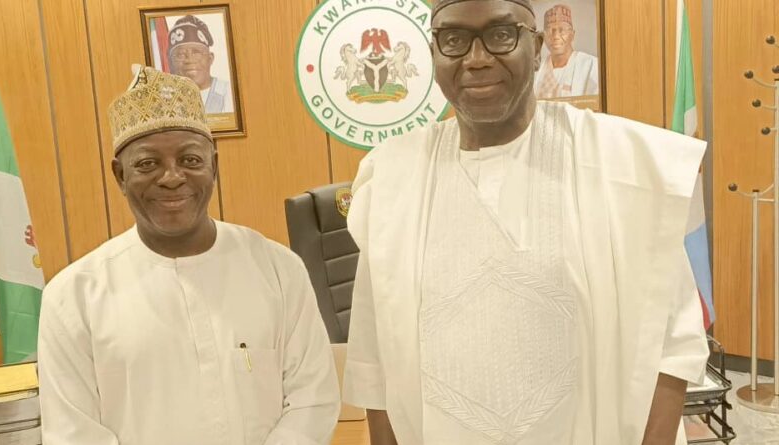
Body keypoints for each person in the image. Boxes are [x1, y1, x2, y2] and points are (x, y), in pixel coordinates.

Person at [342, 0, 708, 444]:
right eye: (454, 39)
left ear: (535, 48)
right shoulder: (392, 182)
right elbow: (374, 362)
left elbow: (673, 347)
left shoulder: (624, 169)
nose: (476, 59)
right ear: (434, 53)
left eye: (500, 35)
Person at [38, 66, 340, 445]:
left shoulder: (279, 270)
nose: (171, 177)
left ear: (214, 164)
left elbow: (312, 402)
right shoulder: (73, 296)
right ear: (119, 175)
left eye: (190, 160)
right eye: (148, 164)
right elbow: (72, 433)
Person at [168, 15, 234, 113]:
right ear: (171, 62)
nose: (189, 60)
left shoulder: (229, 92)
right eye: (181, 54)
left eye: (196, 52)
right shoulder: (165, 97)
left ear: (210, 58)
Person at [534, 4, 599, 99]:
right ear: (544, 36)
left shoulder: (591, 65)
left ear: (572, 35)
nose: (555, 36)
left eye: (562, 30)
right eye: (550, 30)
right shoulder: (536, 70)